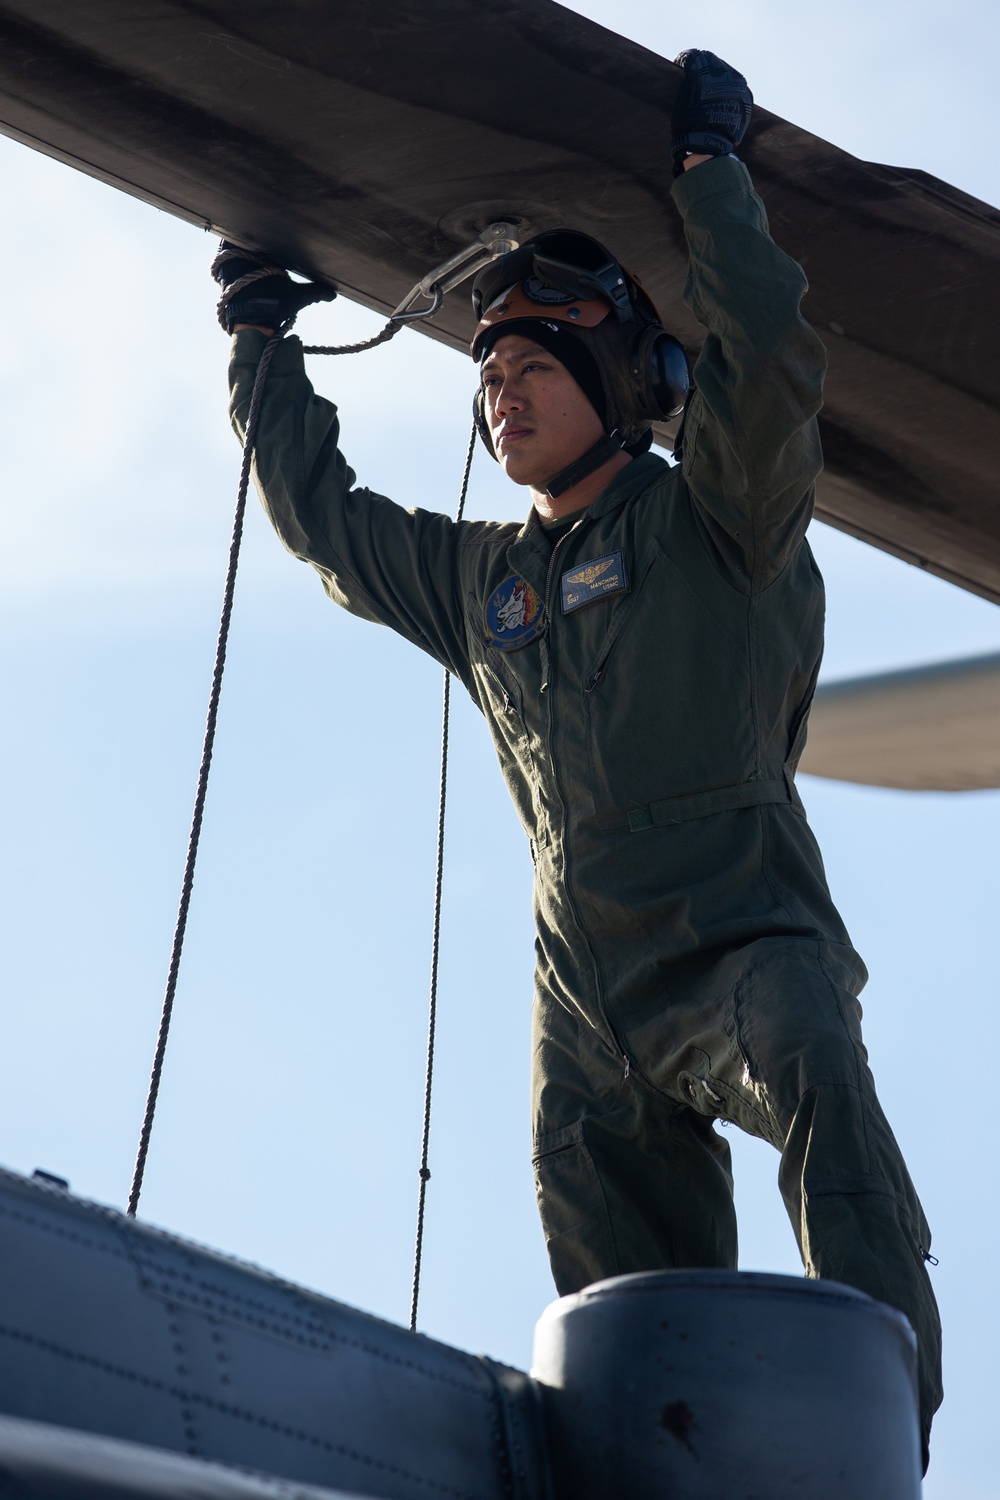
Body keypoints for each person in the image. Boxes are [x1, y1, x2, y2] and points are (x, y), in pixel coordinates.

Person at [216, 50, 942, 1467]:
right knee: (628, 1325)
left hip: (741, 949)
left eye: (533, 366)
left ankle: (879, 1421)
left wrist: (712, 180)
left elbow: (775, 359)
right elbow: (329, 525)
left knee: (814, 1064)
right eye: (488, 375)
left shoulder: (715, 526)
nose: (502, 395)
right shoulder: (490, 586)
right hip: (588, 1006)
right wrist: (259, 347)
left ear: (618, 380)